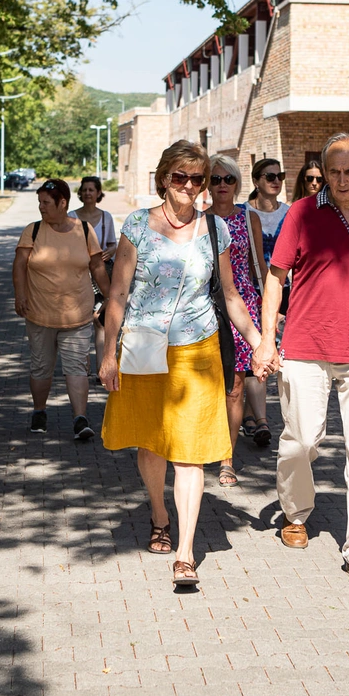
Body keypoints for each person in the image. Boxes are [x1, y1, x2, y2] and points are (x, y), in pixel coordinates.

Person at [100, 141, 268, 588]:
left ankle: (186, 552)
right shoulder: (138, 224)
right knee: (152, 444)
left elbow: (230, 295)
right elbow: (118, 293)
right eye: (181, 177)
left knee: (190, 453)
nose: (190, 186)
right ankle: (159, 514)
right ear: (164, 179)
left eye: (198, 179)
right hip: (144, 347)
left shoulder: (215, 228)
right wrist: (108, 353)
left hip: (198, 350)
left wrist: (259, 343)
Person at [252, 134, 349, 587]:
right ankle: (295, 512)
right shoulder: (301, 213)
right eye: (332, 171)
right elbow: (275, 279)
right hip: (305, 346)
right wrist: (266, 340)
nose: (340, 180)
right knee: (302, 441)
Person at [13, 179, 112, 440]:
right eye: (39, 202)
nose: (41, 207)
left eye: (46, 203)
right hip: (40, 314)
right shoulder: (33, 230)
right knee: (41, 368)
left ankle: (80, 419)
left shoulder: (84, 230)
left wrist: (111, 296)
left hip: (78, 315)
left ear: (62, 203)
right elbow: (20, 264)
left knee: (77, 367)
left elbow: (97, 267)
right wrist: (20, 295)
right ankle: (39, 411)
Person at [207, 155, 271, 488]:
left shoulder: (248, 218)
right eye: (215, 179)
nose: (222, 185)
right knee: (208, 384)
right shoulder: (199, 220)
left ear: (237, 183)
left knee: (235, 386)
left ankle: (227, 459)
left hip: (242, 304)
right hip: (205, 306)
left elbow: (260, 267)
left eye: (228, 179)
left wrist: (268, 313)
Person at [69, 176, 118, 372]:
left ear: (98, 193)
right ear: (80, 193)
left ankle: (100, 368)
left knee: (100, 320)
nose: (88, 193)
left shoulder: (106, 217)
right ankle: (81, 366)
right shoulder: (72, 216)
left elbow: (113, 244)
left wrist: (111, 251)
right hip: (78, 274)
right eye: (85, 190)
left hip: (101, 274)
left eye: (91, 190)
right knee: (79, 321)